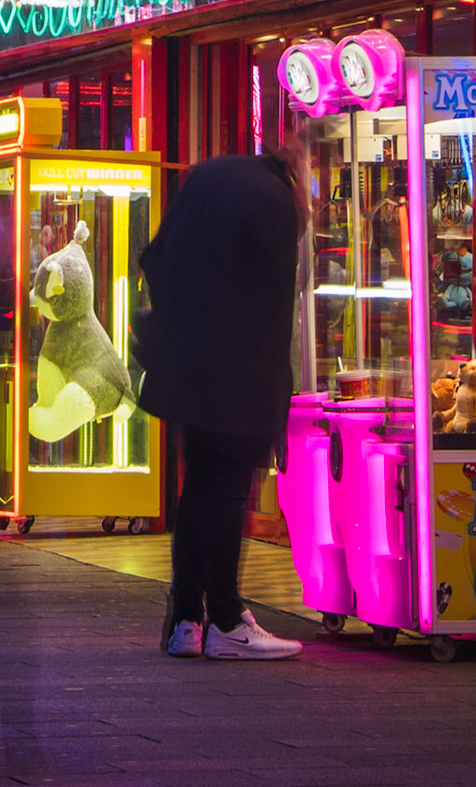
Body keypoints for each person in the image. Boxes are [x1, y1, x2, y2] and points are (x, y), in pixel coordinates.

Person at [137, 128, 306, 661]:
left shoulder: (212, 177)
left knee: (199, 490)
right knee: (229, 491)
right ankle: (227, 620)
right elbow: (279, 297)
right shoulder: (275, 199)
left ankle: (186, 621)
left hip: (188, 365)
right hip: (240, 371)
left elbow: (156, 260)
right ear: (299, 167)